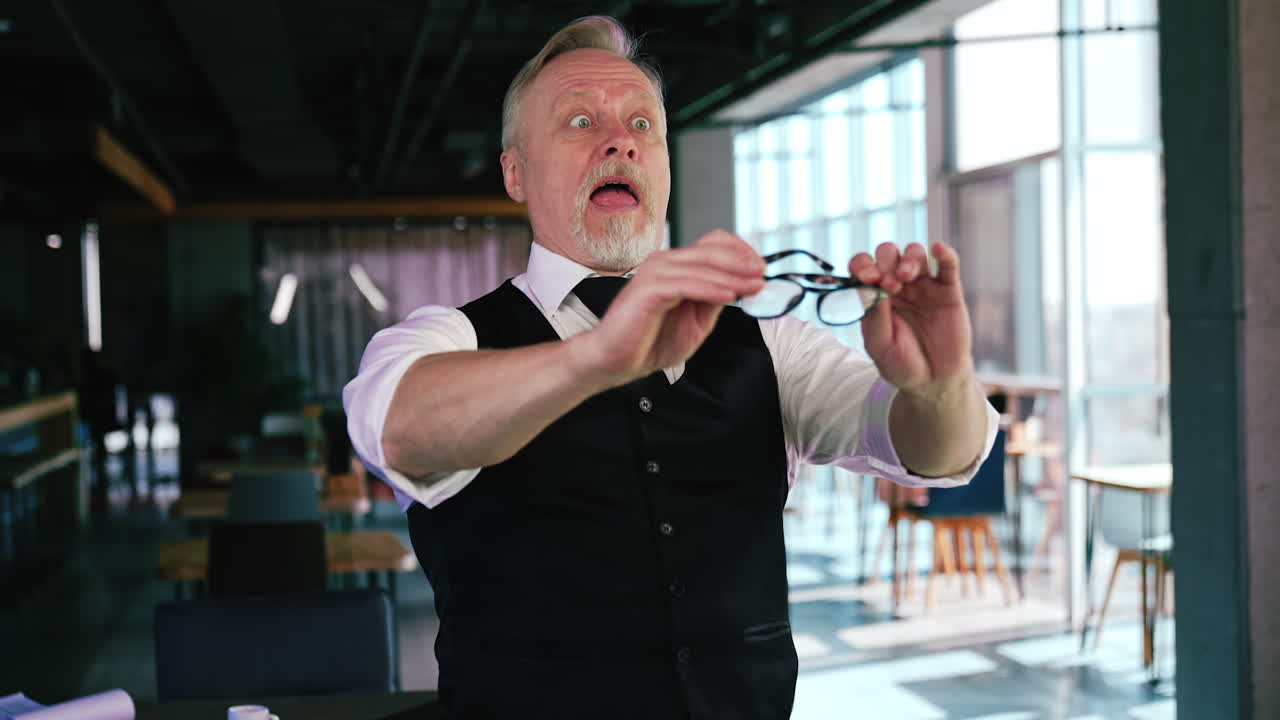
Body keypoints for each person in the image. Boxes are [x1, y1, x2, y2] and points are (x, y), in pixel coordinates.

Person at [343, 15, 998, 719]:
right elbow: (398, 428)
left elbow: (939, 452)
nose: (618, 139)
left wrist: (940, 383)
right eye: (579, 121)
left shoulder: (772, 347)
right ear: (516, 173)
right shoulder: (450, 338)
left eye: (641, 125)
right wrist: (597, 357)